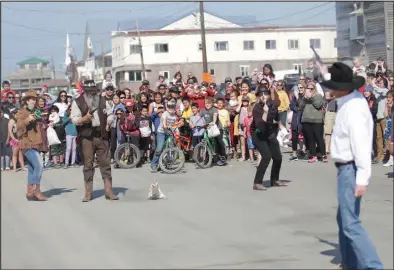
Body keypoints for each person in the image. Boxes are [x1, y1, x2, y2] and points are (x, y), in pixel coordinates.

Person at [319, 61, 383, 270]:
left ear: (341, 87)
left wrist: (362, 178)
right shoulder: (348, 98)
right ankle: (349, 263)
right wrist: (324, 73)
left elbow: (362, 145)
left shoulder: (354, 109)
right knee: (344, 220)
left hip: (351, 168)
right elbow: (334, 91)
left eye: (333, 85)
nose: (330, 89)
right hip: (346, 168)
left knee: (350, 224)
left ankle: (373, 266)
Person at [70, 80, 118, 202]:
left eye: (93, 90)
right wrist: (84, 119)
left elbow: (111, 113)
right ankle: (88, 193)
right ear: (84, 90)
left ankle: (108, 191)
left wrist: (109, 121)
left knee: (105, 163)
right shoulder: (78, 102)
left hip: (101, 135)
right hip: (86, 137)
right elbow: (74, 119)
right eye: (89, 90)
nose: (92, 92)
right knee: (88, 165)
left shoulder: (102, 100)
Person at [251, 88, 287, 191]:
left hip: (270, 134)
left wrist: (281, 127)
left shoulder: (272, 105)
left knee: (278, 157)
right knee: (266, 156)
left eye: (265, 94)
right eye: (261, 94)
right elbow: (260, 127)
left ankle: (274, 180)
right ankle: (257, 183)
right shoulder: (257, 108)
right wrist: (265, 113)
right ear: (258, 97)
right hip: (258, 134)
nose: (263, 96)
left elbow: (276, 117)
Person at [15, 90, 47, 201]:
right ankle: (36, 191)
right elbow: (18, 128)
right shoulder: (22, 112)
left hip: (35, 143)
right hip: (26, 144)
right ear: (27, 101)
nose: (34, 101)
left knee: (33, 168)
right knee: (39, 165)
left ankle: (29, 192)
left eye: (35, 99)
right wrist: (27, 120)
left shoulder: (36, 111)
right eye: (32, 99)